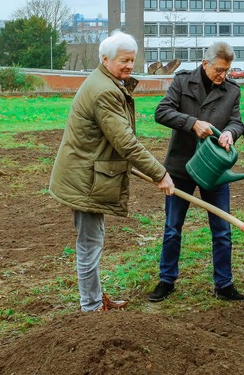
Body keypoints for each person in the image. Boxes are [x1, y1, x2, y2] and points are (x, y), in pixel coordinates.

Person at [49, 30, 175, 312]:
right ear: (105, 59)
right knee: (89, 243)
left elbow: (114, 138)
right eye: (124, 61)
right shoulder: (105, 91)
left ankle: (94, 299)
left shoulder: (105, 82)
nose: (129, 66)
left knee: (93, 239)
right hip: (84, 178)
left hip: (87, 173)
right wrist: (160, 173)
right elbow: (126, 141)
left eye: (132, 60)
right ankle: (91, 307)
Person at [149, 41, 244, 303]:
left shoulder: (231, 91)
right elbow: (161, 112)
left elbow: (237, 122)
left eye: (226, 71)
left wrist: (230, 132)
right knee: (172, 228)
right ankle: (167, 280)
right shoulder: (182, 82)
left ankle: (224, 284)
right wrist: (192, 123)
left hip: (214, 169)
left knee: (222, 230)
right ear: (205, 64)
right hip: (181, 168)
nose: (222, 75)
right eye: (218, 70)